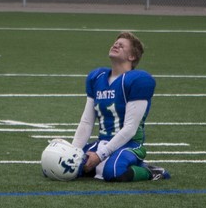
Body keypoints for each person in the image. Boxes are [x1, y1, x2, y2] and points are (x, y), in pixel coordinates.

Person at [72, 31, 170, 182]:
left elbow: (130, 128)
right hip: (103, 142)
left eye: (122, 45)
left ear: (132, 57)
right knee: (69, 168)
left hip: (130, 144)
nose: (115, 45)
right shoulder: (97, 77)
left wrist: (100, 155)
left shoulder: (138, 80)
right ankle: (102, 164)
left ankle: (150, 171)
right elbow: (86, 122)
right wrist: (73, 152)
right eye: (115, 43)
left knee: (114, 173)